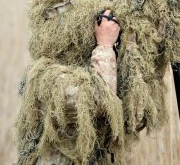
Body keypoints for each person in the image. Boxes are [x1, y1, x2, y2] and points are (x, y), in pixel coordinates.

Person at [35, 10, 121, 164]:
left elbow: (127, 116)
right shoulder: (48, 77)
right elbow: (100, 101)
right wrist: (105, 45)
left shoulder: (87, 68)